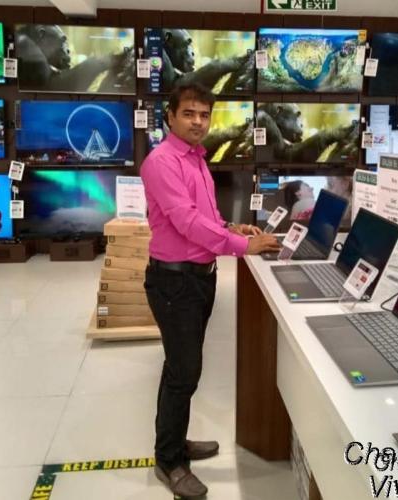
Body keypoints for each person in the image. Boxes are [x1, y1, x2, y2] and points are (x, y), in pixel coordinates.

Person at [140, 83, 279, 499]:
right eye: (189, 113)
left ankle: (174, 442)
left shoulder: (197, 158)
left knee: (180, 369)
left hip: (198, 277)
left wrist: (230, 227)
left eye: (204, 114)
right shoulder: (161, 162)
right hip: (175, 282)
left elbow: (205, 216)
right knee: (184, 373)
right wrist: (242, 246)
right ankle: (169, 461)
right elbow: (185, 222)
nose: (198, 121)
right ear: (170, 116)